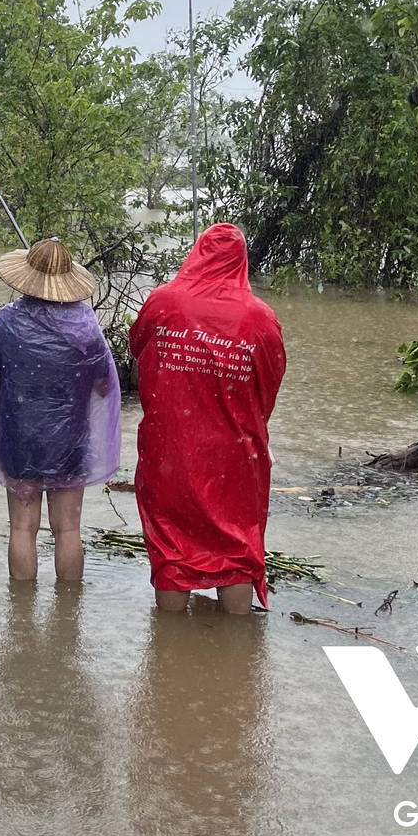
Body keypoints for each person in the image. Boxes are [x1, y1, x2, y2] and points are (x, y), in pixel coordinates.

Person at [128, 223, 285, 614]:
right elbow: (269, 385)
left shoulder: (163, 301)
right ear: (242, 261)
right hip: (234, 454)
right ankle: (233, 656)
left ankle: (168, 650)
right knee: (235, 551)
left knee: (170, 548)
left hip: (170, 449)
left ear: (197, 252)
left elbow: (137, 350)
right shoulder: (260, 318)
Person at [0, 237, 121, 582]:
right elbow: (105, 388)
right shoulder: (87, 330)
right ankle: (67, 617)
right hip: (70, 442)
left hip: (19, 438)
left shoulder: (6, 323)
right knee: (68, 530)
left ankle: (21, 620)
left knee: (21, 527)